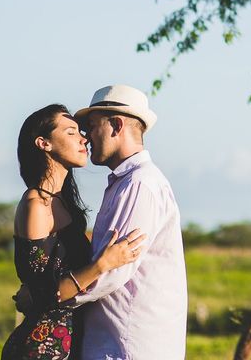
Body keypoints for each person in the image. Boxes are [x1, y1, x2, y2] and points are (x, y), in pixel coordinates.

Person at [2, 104, 146, 360]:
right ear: (44, 143)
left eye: (81, 132)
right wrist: (103, 264)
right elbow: (41, 295)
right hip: (43, 349)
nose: (84, 139)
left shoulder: (64, 203)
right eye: (71, 132)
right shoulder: (36, 205)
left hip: (72, 344)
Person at [71, 84, 188, 360]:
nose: (87, 137)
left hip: (126, 346)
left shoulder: (138, 184)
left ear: (116, 125)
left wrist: (53, 296)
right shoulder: (130, 182)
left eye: (92, 126)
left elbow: (112, 271)